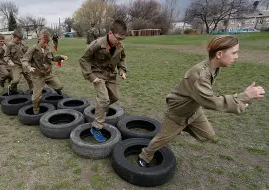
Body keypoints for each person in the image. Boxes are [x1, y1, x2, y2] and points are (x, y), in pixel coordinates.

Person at [137, 35, 266, 167]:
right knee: (160, 140)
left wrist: (245, 99)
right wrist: (244, 96)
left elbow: (206, 97)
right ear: (219, 54)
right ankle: (144, 156)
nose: (237, 56)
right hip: (178, 112)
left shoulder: (213, 68)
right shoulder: (200, 75)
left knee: (208, 136)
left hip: (193, 109)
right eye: (234, 52)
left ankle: (183, 126)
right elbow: (211, 102)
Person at [79, 19, 127, 142]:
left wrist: (122, 70)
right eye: (118, 38)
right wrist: (91, 76)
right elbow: (84, 59)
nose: (120, 42)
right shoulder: (97, 44)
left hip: (111, 75)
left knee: (115, 97)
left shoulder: (119, 45)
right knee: (104, 99)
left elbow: (122, 58)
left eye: (122, 39)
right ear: (110, 33)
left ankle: (101, 108)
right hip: (97, 74)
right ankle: (96, 127)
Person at [21, 30, 68, 114]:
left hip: (48, 74)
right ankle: (36, 110)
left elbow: (53, 58)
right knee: (37, 97)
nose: (45, 44)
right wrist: (29, 67)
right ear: (39, 39)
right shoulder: (33, 49)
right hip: (37, 75)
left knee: (59, 86)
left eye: (47, 42)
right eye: (44, 42)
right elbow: (24, 60)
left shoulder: (48, 49)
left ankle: (58, 90)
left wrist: (61, 57)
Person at [4, 28, 33, 94]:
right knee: (16, 80)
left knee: (30, 78)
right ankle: (11, 88)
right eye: (18, 40)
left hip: (24, 64)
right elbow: (6, 56)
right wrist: (9, 61)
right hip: (16, 65)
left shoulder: (23, 43)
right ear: (13, 37)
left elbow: (29, 51)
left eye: (21, 39)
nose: (19, 41)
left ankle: (32, 90)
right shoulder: (9, 45)